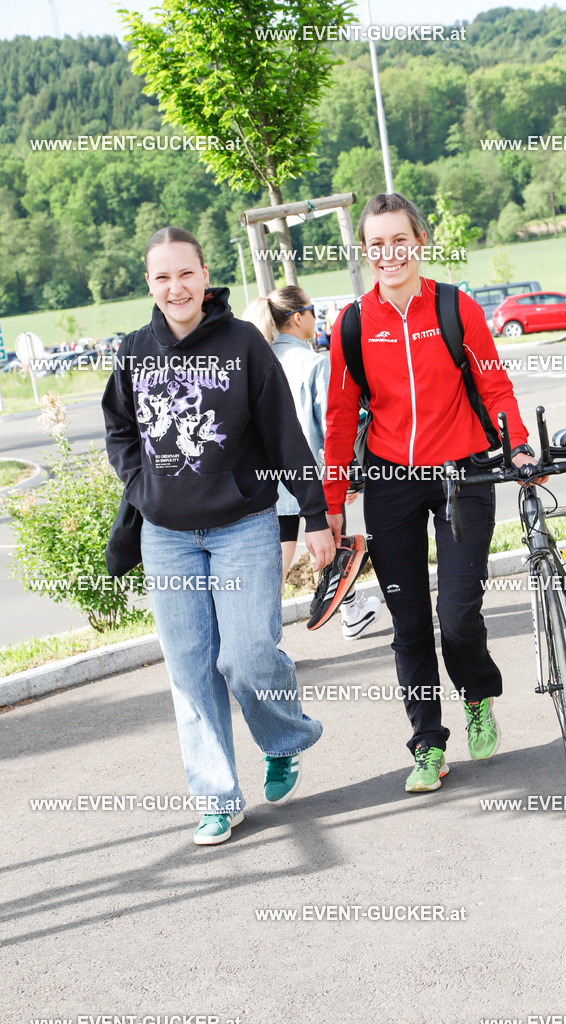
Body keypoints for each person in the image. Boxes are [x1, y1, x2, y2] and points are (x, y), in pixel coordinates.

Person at [102, 226, 335, 845]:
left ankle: (284, 738)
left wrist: (315, 515)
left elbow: (285, 433)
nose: (175, 287)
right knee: (189, 668)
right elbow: (120, 428)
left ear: (205, 276)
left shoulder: (243, 344)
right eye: (162, 277)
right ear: (149, 283)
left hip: (243, 526)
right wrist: (143, 486)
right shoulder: (133, 351)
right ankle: (216, 797)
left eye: (186, 273)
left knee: (248, 654)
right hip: (167, 535)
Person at [322, 192, 542, 793]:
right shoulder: (352, 324)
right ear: (364, 252)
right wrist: (332, 501)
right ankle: (427, 743)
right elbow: (339, 419)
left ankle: (477, 696)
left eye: (400, 240)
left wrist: (518, 446)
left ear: (419, 242)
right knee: (410, 621)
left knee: (459, 614)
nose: (389, 253)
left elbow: (494, 387)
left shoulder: (455, 306)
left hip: (461, 472)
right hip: (390, 482)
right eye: (377, 244)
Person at [243, 288, 381, 640]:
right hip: (316, 476)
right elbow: (335, 426)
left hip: (270, 480)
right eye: (312, 310)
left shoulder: (257, 359)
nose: (316, 318)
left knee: (277, 563)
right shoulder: (315, 364)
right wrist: (350, 476)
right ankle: (349, 614)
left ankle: (266, 637)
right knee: (331, 545)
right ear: (297, 317)